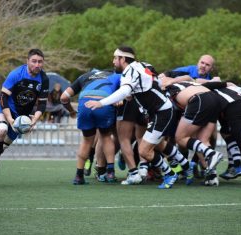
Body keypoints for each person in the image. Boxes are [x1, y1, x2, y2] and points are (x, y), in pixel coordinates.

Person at [85, 46, 190, 189]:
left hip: (162, 112)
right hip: (157, 112)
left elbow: (124, 91)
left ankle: (169, 173)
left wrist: (100, 103)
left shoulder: (130, 71)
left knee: (144, 151)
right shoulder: (138, 67)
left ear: (123, 59)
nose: (113, 61)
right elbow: (147, 84)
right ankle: (186, 165)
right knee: (158, 144)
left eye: (116, 58)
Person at [0, 49, 49, 185]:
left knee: (0, 148)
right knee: (1, 129)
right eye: (34, 61)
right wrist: (10, 119)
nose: (37, 64)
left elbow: (42, 104)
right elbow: (3, 97)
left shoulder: (44, 79)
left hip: (21, 115)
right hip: (4, 108)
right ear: (27, 61)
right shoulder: (16, 74)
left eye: (40, 62)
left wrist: (34, 120)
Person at [60, 69, 119, 185]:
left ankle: (79, 176)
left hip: (85, 102)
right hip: (104, 102)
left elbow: (63, 98)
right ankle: (110, 173)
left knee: (87, 141)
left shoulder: (85, 76)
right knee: (106, 136)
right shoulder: (115, 76)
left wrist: (71, 111)